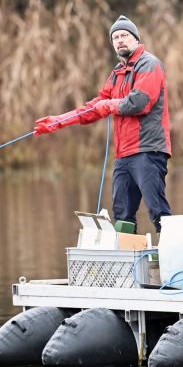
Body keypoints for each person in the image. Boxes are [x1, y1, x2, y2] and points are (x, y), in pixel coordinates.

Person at [34, 15, 173, 233]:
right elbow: (95, 106)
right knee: (122, 214)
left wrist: (108, 105)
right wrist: (58, 121)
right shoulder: (117, 73)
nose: (120, 40)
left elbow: (139, 102)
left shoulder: (150, 64)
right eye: (115, 37)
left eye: (124, 35)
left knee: (157, 210)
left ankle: (174, 260)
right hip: (124, 156)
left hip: (149, 150)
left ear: (136, 39)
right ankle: (129, 263)